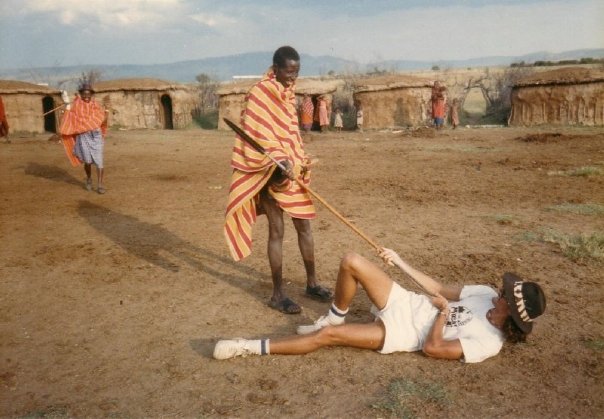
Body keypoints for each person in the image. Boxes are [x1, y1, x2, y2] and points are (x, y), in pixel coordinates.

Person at [214, 248, 546, 363]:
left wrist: (443, 315)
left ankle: (246, 347)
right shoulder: (484, 293)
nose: (498, 291)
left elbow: (432, 349)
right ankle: (334, 317)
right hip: (407, 302)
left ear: (511, 311)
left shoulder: (489, 342)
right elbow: (438, 288)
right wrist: (398, 261)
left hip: (405, 332)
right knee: (351, 261)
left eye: (504, 294)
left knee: (327, 339)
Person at [224, 46, 332, 315]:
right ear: (275, 68)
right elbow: (257, 133)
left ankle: (312, 284)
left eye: (297, 72)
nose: (292, 77)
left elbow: (288, 132)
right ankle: (277, 294)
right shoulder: (260, 92)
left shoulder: (287, 93)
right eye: (288, 71)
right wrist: (280, 160)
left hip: (292, 170)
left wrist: (297, 158)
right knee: (277, 231)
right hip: (271, 172)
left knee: (305, 226)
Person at [59, 83, 109, 194]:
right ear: (81, 94)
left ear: (91, 95)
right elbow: (69, 117)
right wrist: (67, 105)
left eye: (88, 94)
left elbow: (102, 120)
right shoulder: (76, 106)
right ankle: (89, 179)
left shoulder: (96, 106)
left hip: (96, 136)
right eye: (84, 94)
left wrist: (107, 111)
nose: (86, 97)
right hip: (83, 136)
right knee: (87, 161)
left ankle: (100, 185)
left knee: (99, 161)